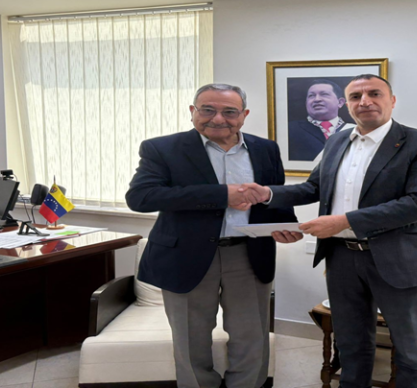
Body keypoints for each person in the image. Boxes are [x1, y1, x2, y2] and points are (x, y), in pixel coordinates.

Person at [241, 74, 417, 388]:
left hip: (402, 258)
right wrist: (268, 194)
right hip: (342, 257)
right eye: (356, 96)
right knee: (351, 344)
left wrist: (343, 221)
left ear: (392, 101)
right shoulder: (338, 140)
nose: (365, 101)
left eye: (374, 93)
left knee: (412, 350)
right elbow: (314, 187)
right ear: (347, 105)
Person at [126, 83, 297, 388]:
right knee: (190, 339)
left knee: (251, 336)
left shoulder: (266, 149)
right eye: (207, 109)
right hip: (184, 255)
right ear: (193, 111)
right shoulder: (161, 148)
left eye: (229, 111)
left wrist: (286, 225)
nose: (218, 119)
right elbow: (141, 197)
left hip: (249, 254)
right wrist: (221, 195)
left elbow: (275, 194)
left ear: (243, 115)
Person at [288, 79, 355, 161]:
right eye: (311, 96)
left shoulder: (355, 130)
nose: (317, 99)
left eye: (324, 94)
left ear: (340, 102)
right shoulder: (290, 129)